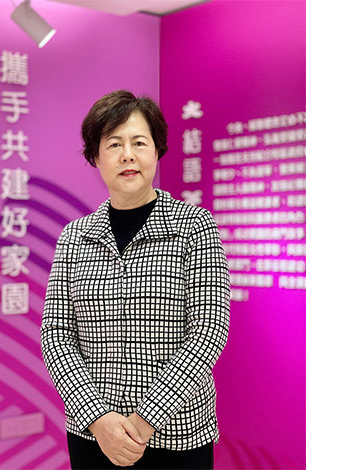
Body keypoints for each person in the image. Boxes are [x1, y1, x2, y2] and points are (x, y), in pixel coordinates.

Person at [41, 90, 230, 469]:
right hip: (94, 437)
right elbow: (56, 334)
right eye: (114, 144)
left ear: (157, 151)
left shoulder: (194, 227)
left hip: (178, 436)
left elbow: (209, 331)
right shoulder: (74, 237)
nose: (127, 154)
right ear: (95, 157)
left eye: (139, 142)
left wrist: (145, 421)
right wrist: (98, 419)